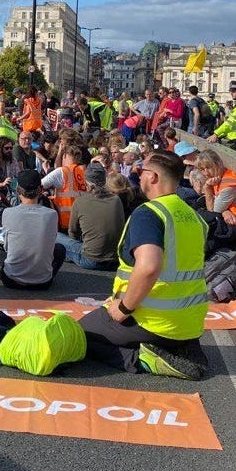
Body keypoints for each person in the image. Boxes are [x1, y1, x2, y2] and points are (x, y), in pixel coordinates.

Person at [79, 152, 209, 380]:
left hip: (152, 320)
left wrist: (123, 309)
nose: (138, 177)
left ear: (154, 177)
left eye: (141, 172)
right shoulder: (193, 217)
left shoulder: (149, 214)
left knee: (80, 335)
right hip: (189, 323)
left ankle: (144, 358)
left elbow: (149, 266)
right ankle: (176, 346)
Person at [0, 170, 66, 289]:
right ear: (41, 190)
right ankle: (42, 272)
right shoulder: (52, 214)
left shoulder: (8, 213)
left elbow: (5, 244)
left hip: (12, 280)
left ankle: (7, 271)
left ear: (18, 190)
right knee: (60, 249)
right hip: (43, 283)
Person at [57, 162, 124, 270]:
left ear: (86, 180)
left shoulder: (80, 201)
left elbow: (73, 232)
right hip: (114, 260)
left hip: (90, 260)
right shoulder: (116, 200)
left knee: (56, 237)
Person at [40, 146, 87, 231]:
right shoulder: (83, 172)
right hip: (82, 221)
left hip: (67, 222)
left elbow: (39, 185)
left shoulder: (62, 171)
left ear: (64, 156)